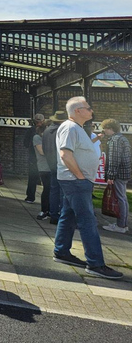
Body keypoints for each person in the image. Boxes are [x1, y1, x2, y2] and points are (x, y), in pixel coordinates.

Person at [53, 97, 122, 280]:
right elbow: (65, 154)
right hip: (76, 181)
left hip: (76, 181)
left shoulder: (77, 128)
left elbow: (80, 150)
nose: (92, 111)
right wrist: (82, 177)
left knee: (68, 216)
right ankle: (95, 263)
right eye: (88, 108)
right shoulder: (70, 127)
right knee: (88, 221)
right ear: (77, 111)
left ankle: (61, 252)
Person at [100, 118, 130, 234]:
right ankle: (123, 224)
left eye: (105, 129)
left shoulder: (115, 140)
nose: (104, 131)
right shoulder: (123, 139)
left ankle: (120, 225)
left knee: (120, 198)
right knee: (123, 198)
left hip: (118, 174)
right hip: (124, 172)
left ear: (110, 129)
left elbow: (114, 159)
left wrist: (110, 176)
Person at [43, 111, 67, 223]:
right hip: (61, 164)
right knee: (63, 192)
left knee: (54, 190)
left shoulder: (47, 131)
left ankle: (53, 215)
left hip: (51, 164)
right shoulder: (61, 131)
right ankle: (62, 215)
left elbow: (44, 148)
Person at [24, 114, 47, 203]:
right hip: (44, 158)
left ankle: (30, 197)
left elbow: (25, 143)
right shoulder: (47, 131)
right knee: (46, 180)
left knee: (32, 178)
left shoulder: (30, 130)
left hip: (33, 157)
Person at [32, 125, 52, 219]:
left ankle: (50, 210)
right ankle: (44, 210)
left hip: (52, 167)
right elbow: (41, 152)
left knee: (52, 190)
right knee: (47, 188)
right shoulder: (37, 138)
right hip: (44, 167)